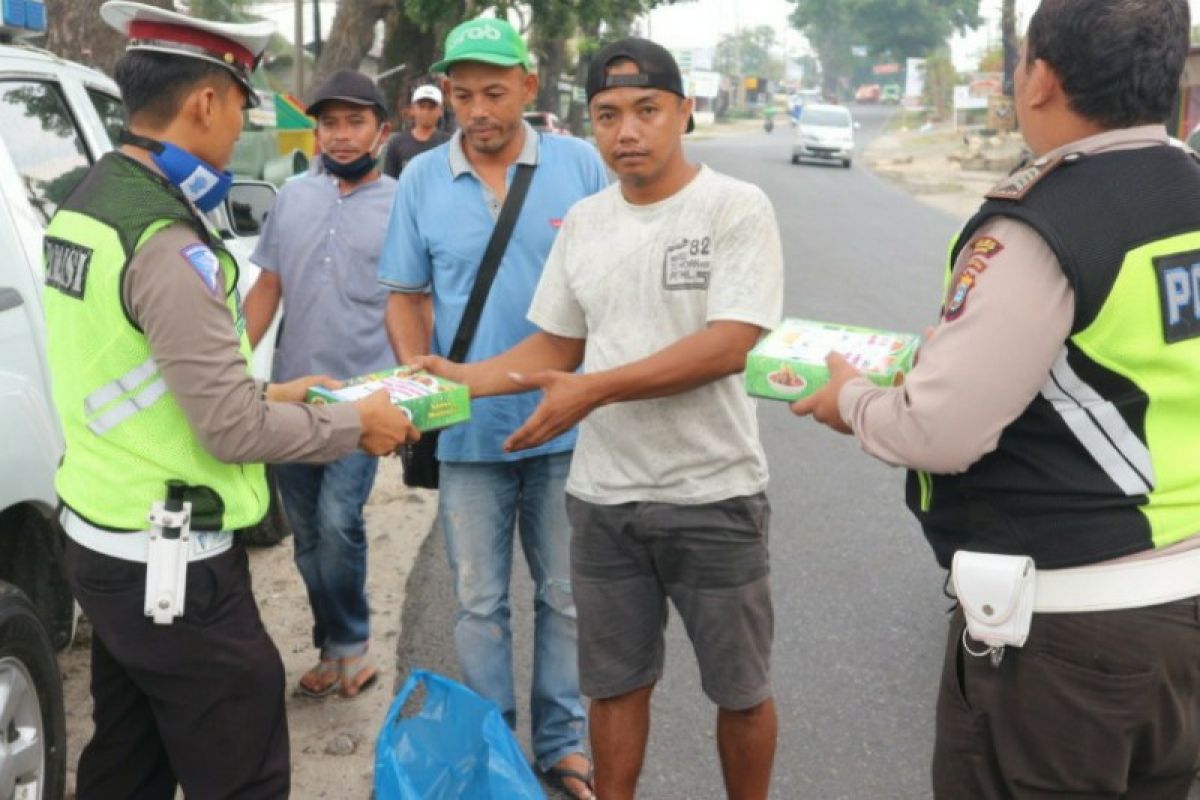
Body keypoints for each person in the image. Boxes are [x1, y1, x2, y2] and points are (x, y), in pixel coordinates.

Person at [793, 1, 1200, 796]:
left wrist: (850, 399)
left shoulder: (1043, 223)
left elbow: (940, 430)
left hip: (1071, 634)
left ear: (1039, 77)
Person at [42, 3, 418, 798]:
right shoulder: (167, 242)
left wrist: (277, 387)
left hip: (99, 534)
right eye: (244, 104)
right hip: (168, 561)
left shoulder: (86, 201)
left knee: (129, 756)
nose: (244, 122)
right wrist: (358, 423)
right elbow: (230, 427)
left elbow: (133, 371)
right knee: (243, 763)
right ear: (206, 102)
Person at [413, 37, 784, 800]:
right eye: (609, 114)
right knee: (614, 688)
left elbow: (728, 343)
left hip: (713, 492)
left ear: (683, 111)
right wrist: (466, 380)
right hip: (606, 496)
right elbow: (557, 340)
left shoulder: (734, 207)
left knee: (739, 691)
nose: (627, 132)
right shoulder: (584, 220)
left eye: (647, 110)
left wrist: (593, 391)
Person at [377, 16, 608, 800]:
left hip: (568, 425)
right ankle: (494, 747)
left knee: (566, 596)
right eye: (462, 93)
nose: (476, 109)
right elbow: (406, 296)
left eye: (494, 92)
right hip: (469, 437)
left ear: (529, 88)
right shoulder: (419, 180)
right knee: (478, 603)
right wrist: (417, 376)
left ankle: (563, 740)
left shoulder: (581, 165)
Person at [243, 69, 396, 699]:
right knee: (305, 532)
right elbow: (268, 289)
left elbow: (418, 303)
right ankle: (333, 644)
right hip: (293, 396)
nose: (339, 134)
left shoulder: (402, 204)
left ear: (381, 131)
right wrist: (229, 363)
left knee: (339, 522)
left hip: (365, 400)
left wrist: (417, 388)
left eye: (354, 121)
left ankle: (352, 645)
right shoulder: (292, 198)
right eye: (329, 122)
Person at [382, 83, 450, 178]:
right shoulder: (397, 143)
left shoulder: (450, 144)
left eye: (431, 107)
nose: (426, 112)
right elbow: (389, 180)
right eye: (422, 107)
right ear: (413, 109)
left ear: (441, 111)